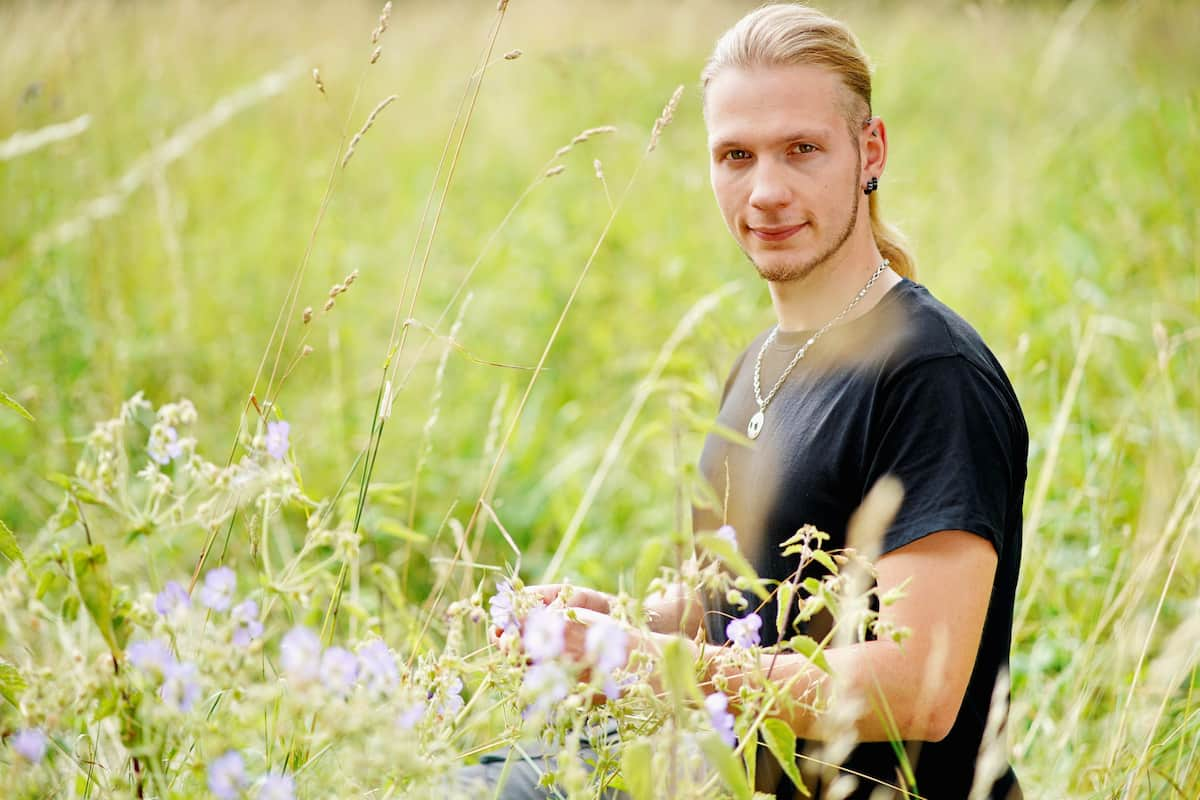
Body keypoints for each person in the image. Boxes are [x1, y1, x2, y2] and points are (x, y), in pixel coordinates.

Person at [465, 4, 1027, 798]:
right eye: (736, 155)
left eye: (802, 150)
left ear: (870, 151)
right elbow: (740, 607)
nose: (766, 191)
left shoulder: (932, 376)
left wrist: (648, 667)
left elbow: (922, 691)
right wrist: (618, 622)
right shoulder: (761, 364)